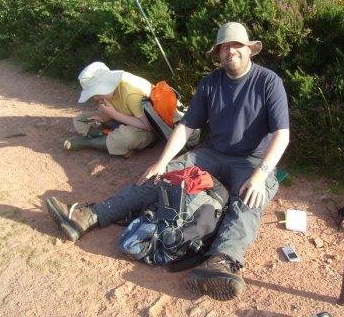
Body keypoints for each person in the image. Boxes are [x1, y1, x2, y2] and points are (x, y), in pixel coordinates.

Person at [47, 22, 289, 301]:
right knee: (161, 178)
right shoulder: (211, 82)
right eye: (224, 47)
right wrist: (162, 162)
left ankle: (220, 261)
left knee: (249, 199)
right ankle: (89, 216)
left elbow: (282, 135)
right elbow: (186, 127)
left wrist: (260, 176)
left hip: (252, 160)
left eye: (236, 45)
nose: (230, 51)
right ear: (218, 53)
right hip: (211, 154)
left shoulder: (268, 81)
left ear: (249, 49)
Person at [64, 62, 156, 157]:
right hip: (123, 119)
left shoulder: (131, 94)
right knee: (80, 120)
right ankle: (114, 142)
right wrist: (105, 117)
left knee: (126, 137)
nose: (95, 98)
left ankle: (89, 143)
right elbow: (112, 111)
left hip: (146, 128)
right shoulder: (109, 91)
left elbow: (148, 126)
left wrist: (114, 115)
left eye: (95, 92)